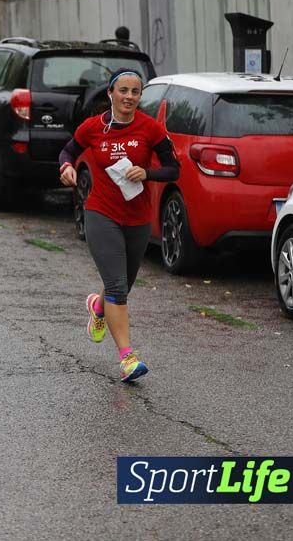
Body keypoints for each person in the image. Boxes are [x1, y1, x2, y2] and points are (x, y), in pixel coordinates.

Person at [58, 70, 180, 382]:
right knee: (118, 288)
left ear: (140, 97)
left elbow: (173, 170)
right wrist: (67, 167)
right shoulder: (93, 127)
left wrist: (147, 173)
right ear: (111, 94)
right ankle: (127, 358)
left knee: (121, 284)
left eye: (135, 92)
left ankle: (98, 307)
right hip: (101, 212)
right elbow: (69, 150)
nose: (129, 96)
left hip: (138, 218)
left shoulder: (150, 129)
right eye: (123, 90)